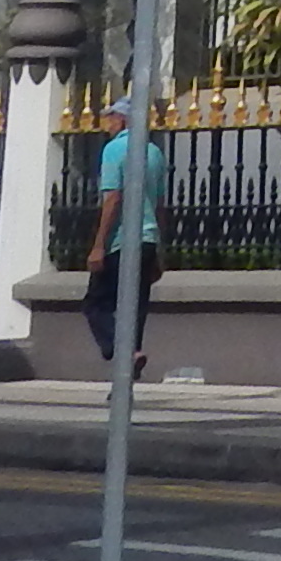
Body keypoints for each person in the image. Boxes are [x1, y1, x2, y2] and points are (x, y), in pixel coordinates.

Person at [80, 101, 164, 369]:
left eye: (112, 117)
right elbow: (160, 205)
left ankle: (123, 350)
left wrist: (98, 245)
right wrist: (160, 249)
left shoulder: (114, 149)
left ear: (124, 120)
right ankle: (132, 358)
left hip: (121, 242)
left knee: (96, 304)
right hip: (148, 240)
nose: (109, 123)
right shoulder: (154, 153)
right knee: (136, 307)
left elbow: (113, 199)